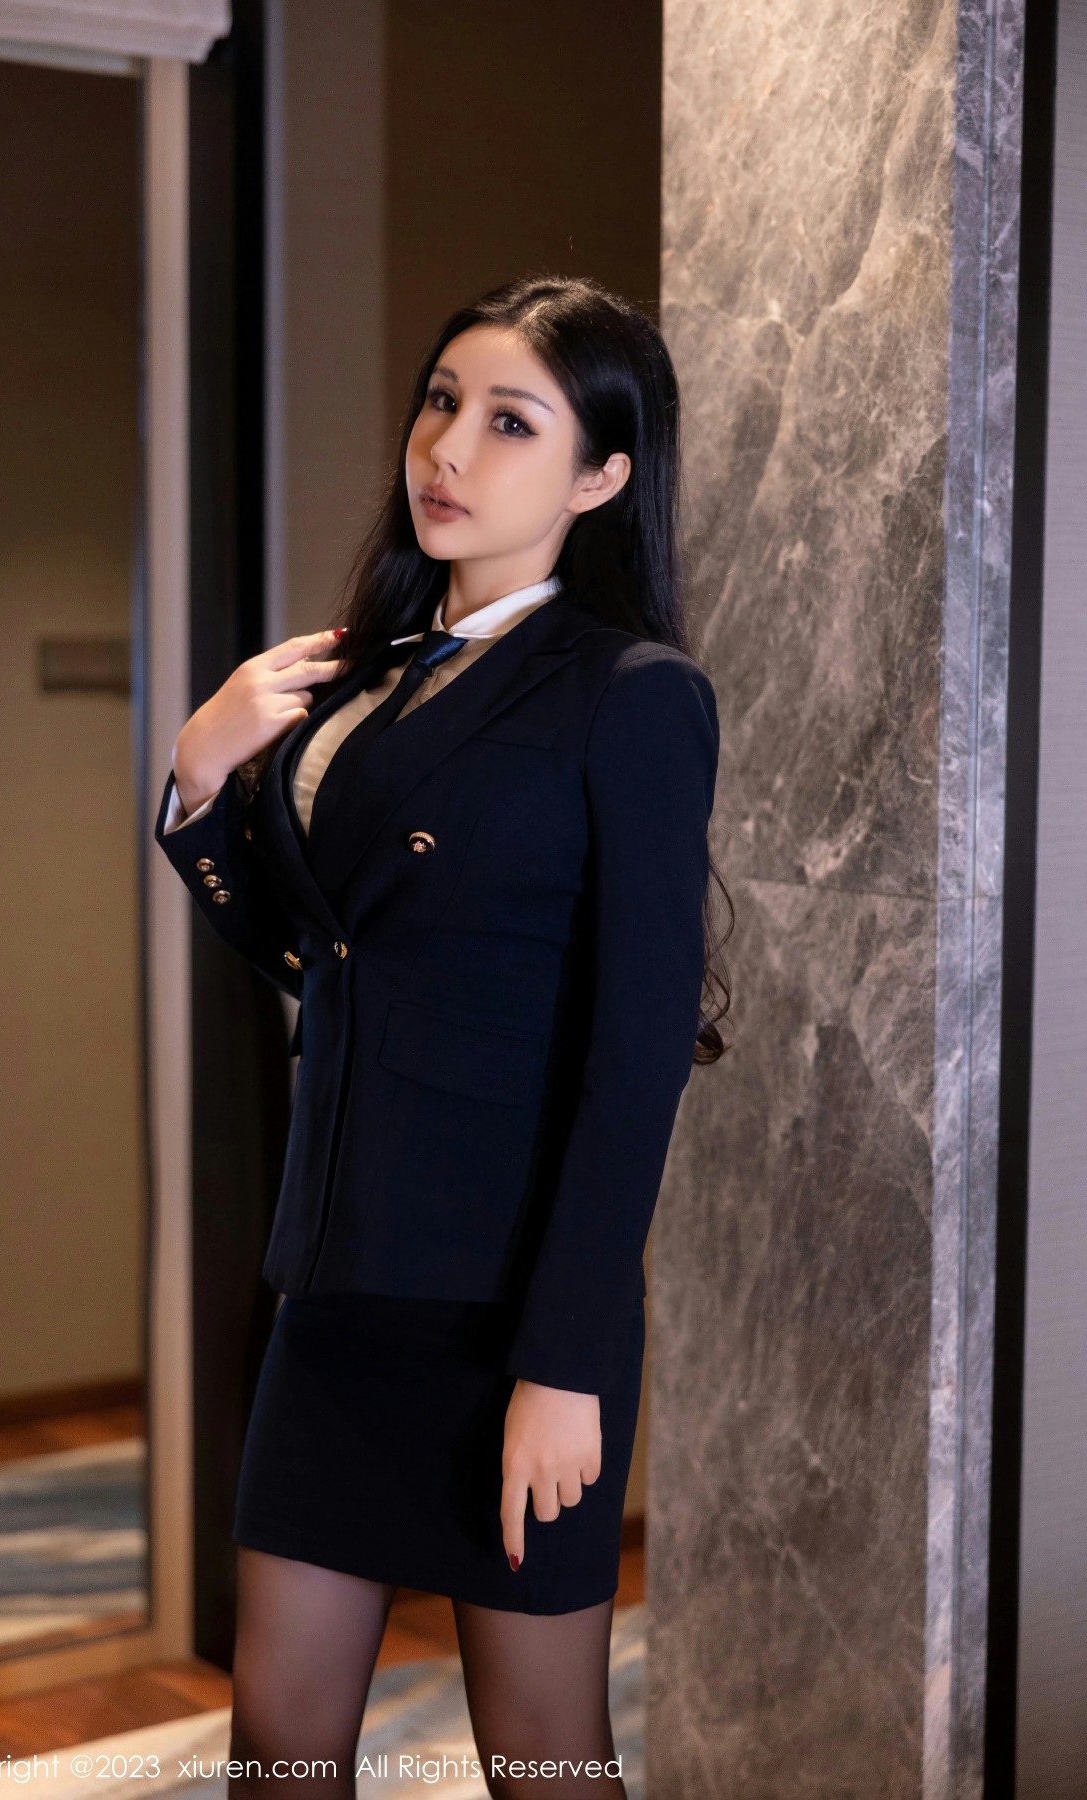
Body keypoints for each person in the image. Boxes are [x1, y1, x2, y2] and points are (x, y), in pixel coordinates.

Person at [155, 273, 728, 1798]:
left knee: (543, 1758)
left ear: (601, 477)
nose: (448, 447)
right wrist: (202, 782)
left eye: (509, 421)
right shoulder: (368, 676)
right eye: (440, 401)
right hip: (335, 1293)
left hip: (509, 1318)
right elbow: (330, 958)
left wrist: (566, 1367)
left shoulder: (632, 696)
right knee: (280, 1747)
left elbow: (632, 1061)